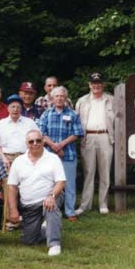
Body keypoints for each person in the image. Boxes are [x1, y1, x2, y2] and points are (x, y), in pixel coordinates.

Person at [7, 130, 66, 256]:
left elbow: (61, 182)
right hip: (29, 205)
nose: (35, 143)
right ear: (26, 144)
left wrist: (51, 196)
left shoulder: (53, 158)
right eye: (31, 141)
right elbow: (12, 187)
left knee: (51, 206)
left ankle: (54, 244)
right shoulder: (19, 161)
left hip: (49, 198)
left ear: (43, 141)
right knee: (29, 241)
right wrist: (13, 209)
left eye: (38, 140)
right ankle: (46, 228)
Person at [39, 86, 83, 222]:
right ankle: (47, 208)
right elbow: (42, 133)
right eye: (56, 96)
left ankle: (70, 211)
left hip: (68, 154)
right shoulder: (46, 114)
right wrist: (53, 146)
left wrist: (61, 145)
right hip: (49, 155)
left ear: (65, 98)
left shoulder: (73, 114)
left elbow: (77, 133)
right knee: (48, 183)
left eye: (62, 96)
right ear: (52, 98)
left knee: (69, 184)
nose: (59, 98)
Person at [74, 72, 115, 215]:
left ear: (102, 84)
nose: (96, 85)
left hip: (105, 136)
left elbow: (119, 120)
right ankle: (85, 205)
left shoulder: (112, 100)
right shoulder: (82, 101)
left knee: (105, 173)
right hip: (88, 138)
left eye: (98, 83)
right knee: (88, 172)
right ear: (89, 85)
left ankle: (103, 204)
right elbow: (75, 121)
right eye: (93, 83)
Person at [0, 94, 39, 170]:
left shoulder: (30, 123)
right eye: (13, 107)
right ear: (8, 108)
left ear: (21, 109)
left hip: (26, 158)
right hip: (7, 160)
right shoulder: (1, 124)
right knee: (8, 182)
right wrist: (4, 159)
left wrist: (33, 157)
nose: (15, 109)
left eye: (18, 107)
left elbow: (38, 141)